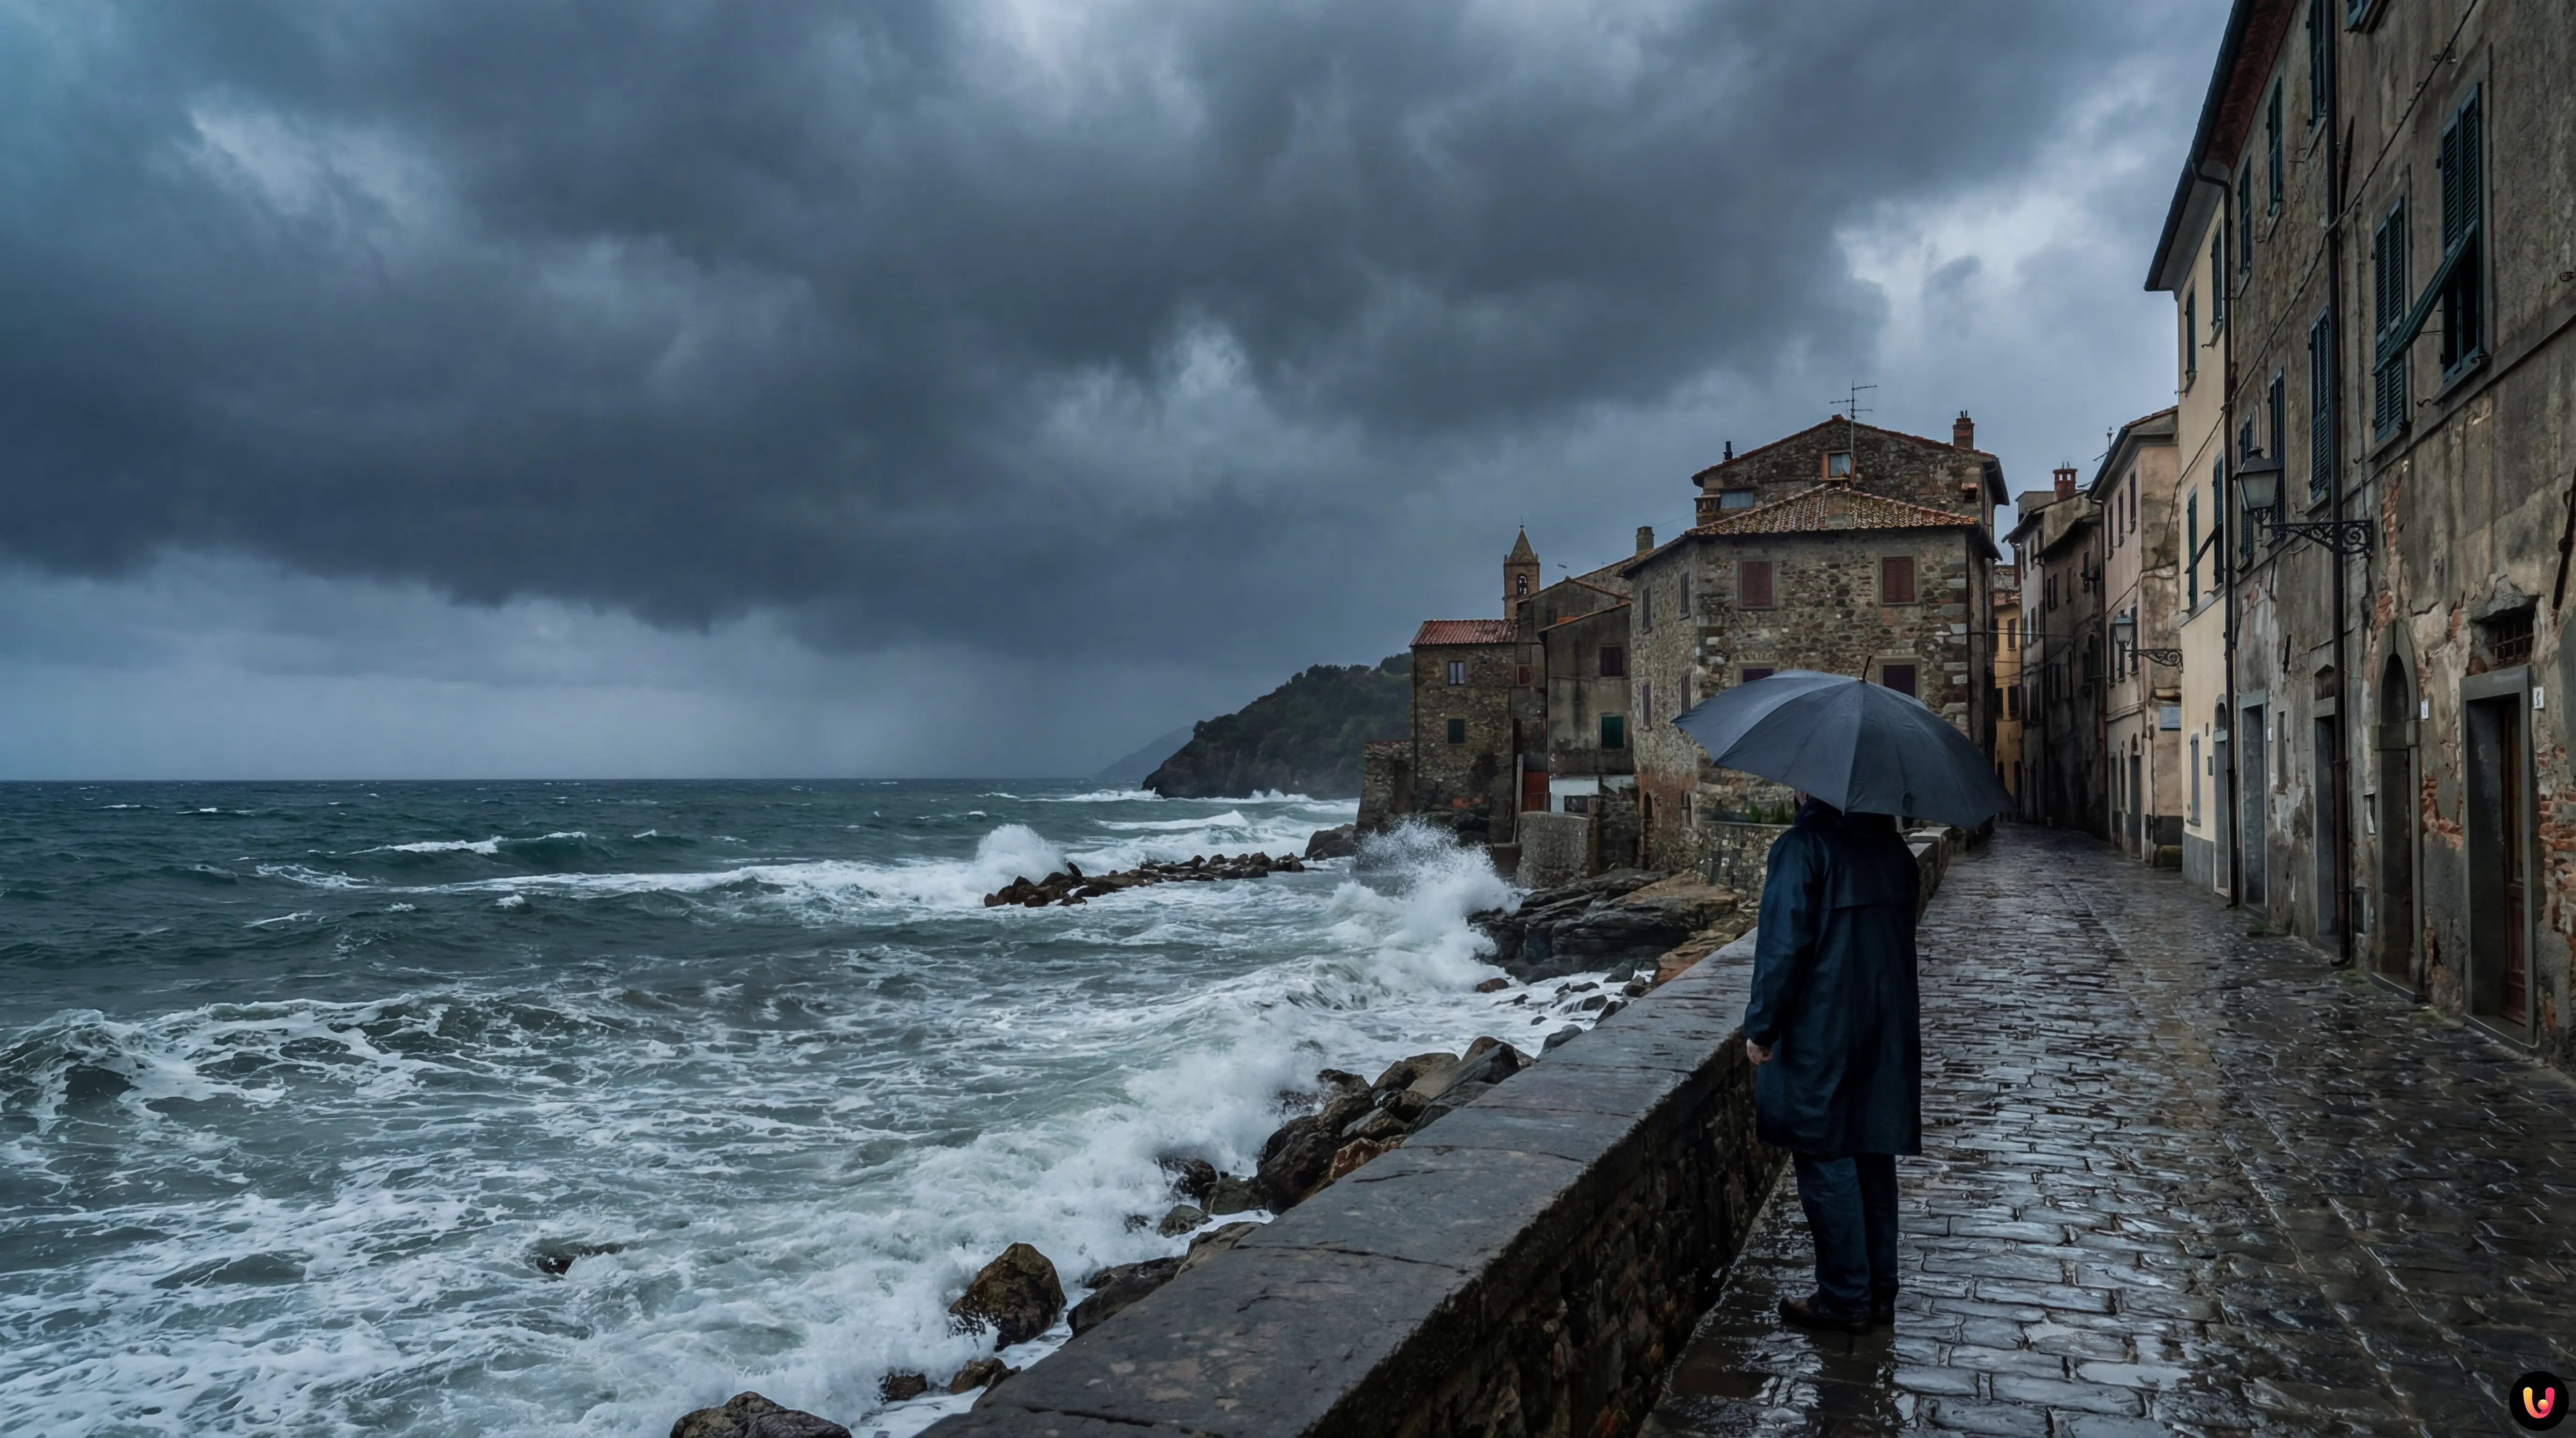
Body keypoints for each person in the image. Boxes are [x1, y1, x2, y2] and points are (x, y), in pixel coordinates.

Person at [1742, 792, 1921, 1335]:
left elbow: (1781, 947)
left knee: (1825, 1160)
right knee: (1872, 1156)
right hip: (1884, 1029)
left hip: (1821, 1031)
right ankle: (1877, 1295)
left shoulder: (1803, 848)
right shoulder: (1896, 853)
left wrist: (1761, 1026)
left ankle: (1844, 1299)